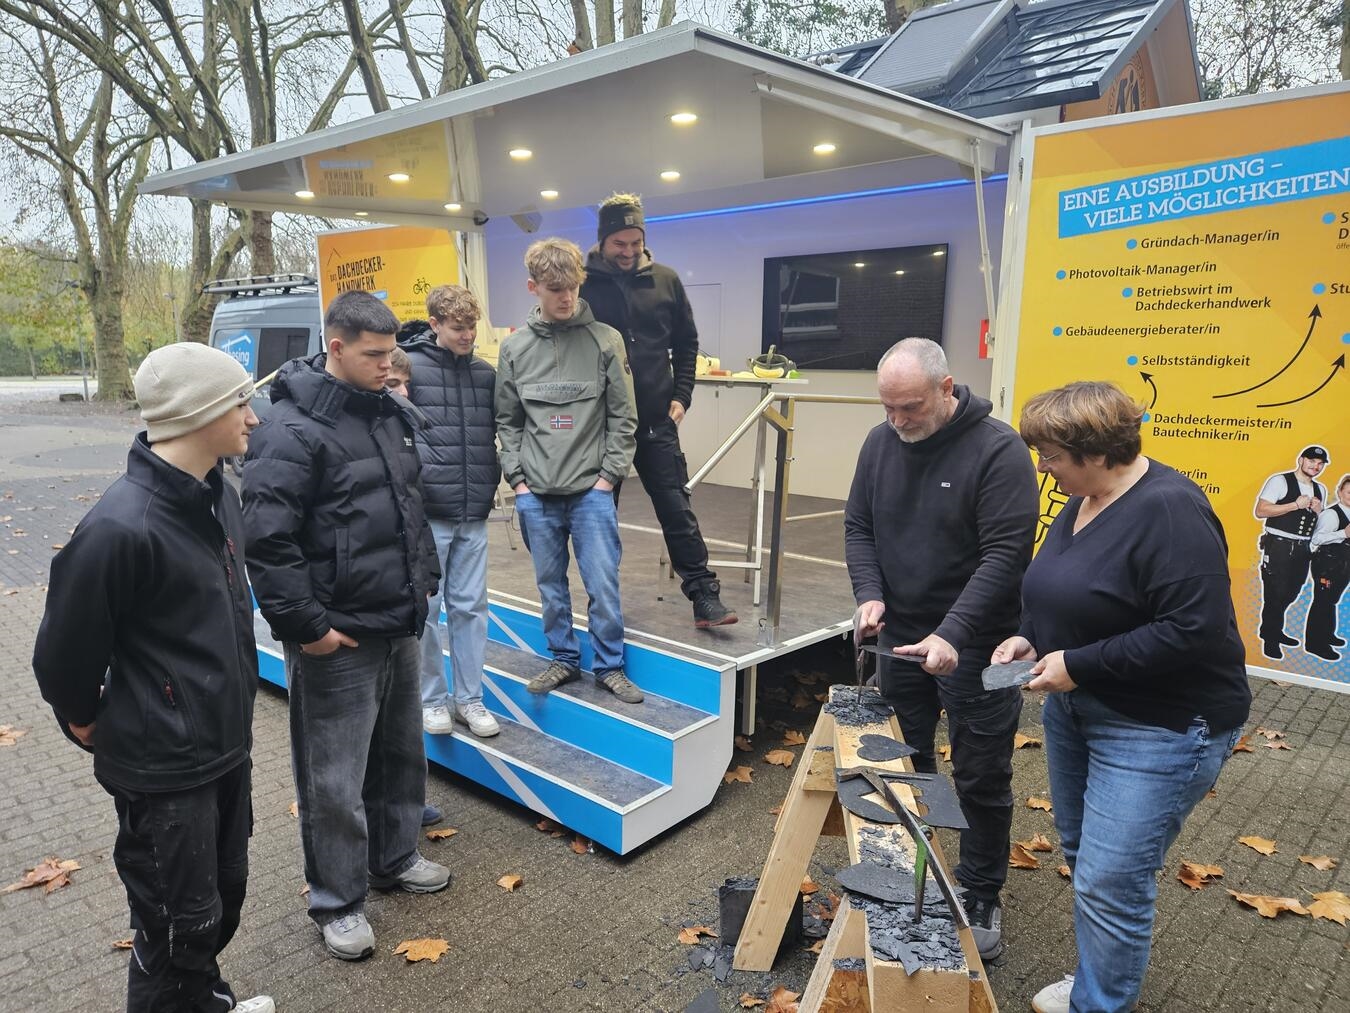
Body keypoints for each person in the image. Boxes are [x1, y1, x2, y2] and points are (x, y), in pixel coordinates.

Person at [994, 381, 1251, 1013]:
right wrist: (1029, 638)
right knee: (1090, 861)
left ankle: (1098, 1003)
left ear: (1095, 450)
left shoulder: (1171, 510)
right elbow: (1061, 590)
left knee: (1113, 878)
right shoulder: (1080, 500)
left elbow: (1191, 630)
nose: (1042, 467)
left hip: (1160, 724)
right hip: (1078, 708)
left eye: (1050, 455)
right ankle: (1096, 982)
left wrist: (1077, 664)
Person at [32, 343, 273, 1013]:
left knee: (219, 900)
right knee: (175, 924)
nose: (252, 417)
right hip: (165, 769)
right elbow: (61, 655)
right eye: (239, 402)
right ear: (198, 414)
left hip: (225, 746)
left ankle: (206, 999)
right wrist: (88, 718)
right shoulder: (119, 526)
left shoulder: (217, 493)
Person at [242, 290, 449, 963]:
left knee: (399, 754)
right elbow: (268, 543)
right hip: (337, 639)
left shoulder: (387, 409)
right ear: (335, 345)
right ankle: (337, 900)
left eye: (393, 353)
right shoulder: (289, 429)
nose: (391, 366)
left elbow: (408, 508)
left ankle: (394, 857)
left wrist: (424, 587)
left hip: (397, 620)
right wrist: (308, 628)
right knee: (332, 779)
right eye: (376, 355)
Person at [844, 337, 1039, 960]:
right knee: (904, 762)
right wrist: (871, 595)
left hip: (989, 645)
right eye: (888, 408)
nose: (899, 421)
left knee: (983, 773)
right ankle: (911, 875)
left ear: (947, 389)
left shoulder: (1000, 450)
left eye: (911, 407)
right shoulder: (880, 443)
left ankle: (981, 892)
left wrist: (952, 633)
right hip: (901, 639)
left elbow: (1007, 556)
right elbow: (859, 527)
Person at [580, 192, 736, 629]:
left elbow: (687, 343)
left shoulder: (666, 280)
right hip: (599, 426)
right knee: (598, 517)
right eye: (619, 244)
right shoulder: (583, 284)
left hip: (655, 422)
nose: (628, 252)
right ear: (603, 241)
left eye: (635, 242)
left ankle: (705, 596)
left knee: (675, 508)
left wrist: (682, 395)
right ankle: (603, 603)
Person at [496, 237, 642, 703]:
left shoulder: (606, 341)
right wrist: (518, 482)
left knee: (603, 583)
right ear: (532, 287)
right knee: (550, 587)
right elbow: (507, 421)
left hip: (590, 494)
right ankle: (562, 658)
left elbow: (624, 417)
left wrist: (607, 480)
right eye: (553, 288)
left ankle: (610, 667)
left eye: (572, 287)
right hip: (536, 495)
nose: (565, 298)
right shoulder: (515, 349)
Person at [399, 286, 502, 740]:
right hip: (429, 514)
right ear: (435, 324)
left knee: (471, 608)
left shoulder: (484, 373)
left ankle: (470, 700)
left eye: (472, 326)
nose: (467, 335)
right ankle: (432, 699)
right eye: (458, 327)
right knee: (429, 609)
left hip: (473, 510)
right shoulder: (409, 367)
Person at [1254, 446, 1328, 659]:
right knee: (1275, 593)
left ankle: (1272, 629)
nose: (1316, 466)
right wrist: (1295, 504)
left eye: (1320, 463)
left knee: (1292, 591)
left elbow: (1318, 523)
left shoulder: (1320, 489)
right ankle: (1271, 638)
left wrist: (1318, 511)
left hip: (1303, 548)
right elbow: (1261, 511)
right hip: (1279, 545)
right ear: (1301, 460)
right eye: (1312, 461)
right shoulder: (1280, 481)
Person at [1305, 473, 1350, 661]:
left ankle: (1327, 635)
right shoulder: (1331, 514)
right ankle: (1315, 644)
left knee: (1331, 601)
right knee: (1322, 602)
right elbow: (1316, 539)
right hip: (1326, 565)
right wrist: (1343, 533)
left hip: (1343, 565)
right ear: (1340, 492)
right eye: (1349, 492)